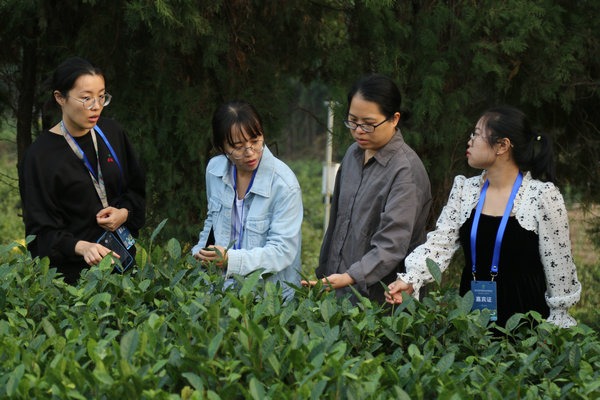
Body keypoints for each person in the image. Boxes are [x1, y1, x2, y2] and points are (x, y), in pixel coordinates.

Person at [385, 106, 581, 328]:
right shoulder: (465, 190)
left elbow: (560, 273)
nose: (470, 141)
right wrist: (410, 279)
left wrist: (556, 329)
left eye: (477, 134)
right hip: (472, 322)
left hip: (527, 323)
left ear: (502, 145)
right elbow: (439, 244)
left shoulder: (542, 197)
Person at [303, 73, 432, 303]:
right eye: (353, 121)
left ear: (394, 119)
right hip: (337, 290)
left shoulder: (405, 171)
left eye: (369, 124)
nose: (359, 130)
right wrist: (325, 273)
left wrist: (350, 277)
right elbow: (336, 224)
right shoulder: (353, 154)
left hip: (383, 301)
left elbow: (391, 245)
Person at [19, 57, 146, 284]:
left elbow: (136, 191)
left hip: (125, 268)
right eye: (86, 98)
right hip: (74, 283)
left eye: (101, 96)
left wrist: (124, 213)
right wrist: (81, 247)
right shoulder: (39, 157)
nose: (96, 106)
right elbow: (39, 234)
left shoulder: (112, 133)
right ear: (60, 98)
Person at [192, 100, 303, 301]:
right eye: (238, 146)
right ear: (221, 147)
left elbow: (282, 251)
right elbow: (212, 222)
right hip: (223, 292)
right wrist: (200, 252)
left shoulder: (284, 184)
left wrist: (230, 260)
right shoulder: (214, 170)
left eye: (255, 140)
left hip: (269, 298)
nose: (250, 152)